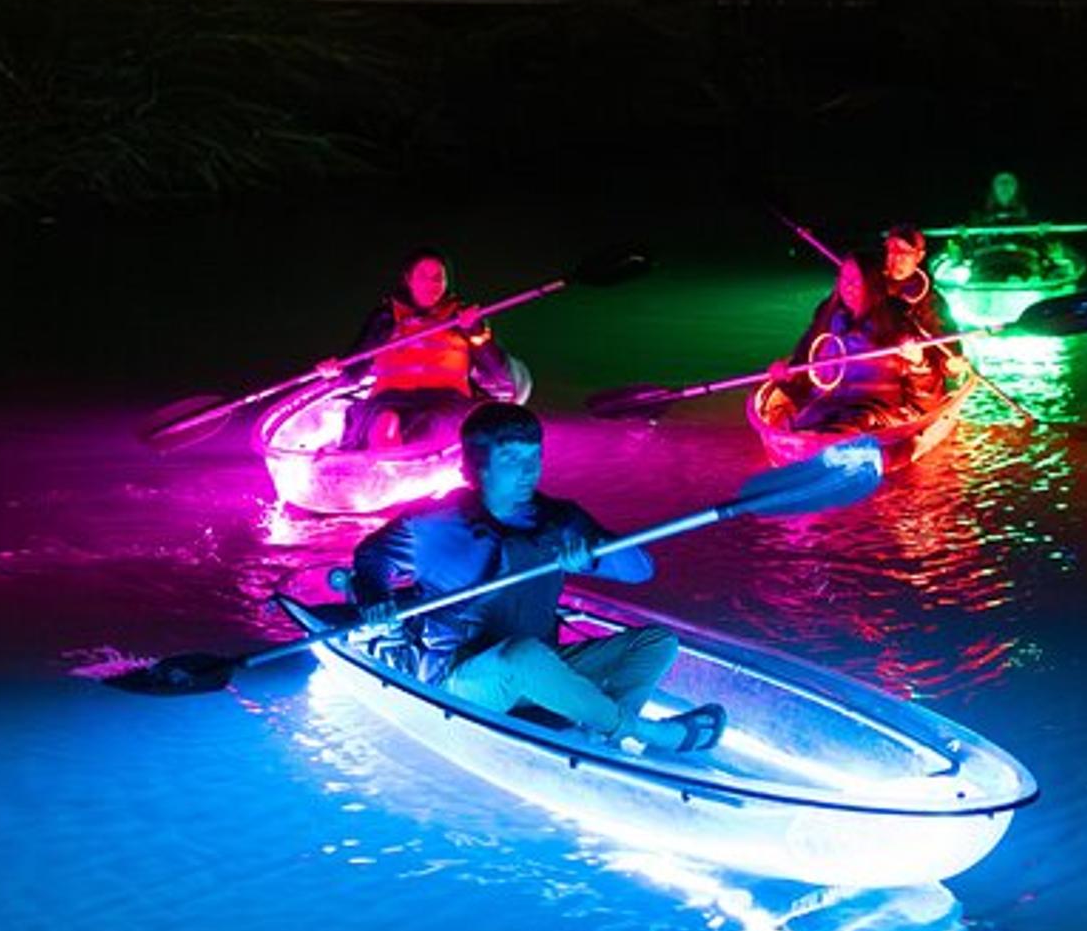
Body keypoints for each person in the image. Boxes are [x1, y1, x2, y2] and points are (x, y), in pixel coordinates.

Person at [350, 402, 726, 754]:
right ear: (472, 467)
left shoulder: (560, 520)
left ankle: (603, 733)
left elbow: (641, 570)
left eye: (534, 457)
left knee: (658, 643)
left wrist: (593, 555)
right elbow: (371, 558)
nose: (528, 472)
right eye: (512, 459)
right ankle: (649, 733)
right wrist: (374, 595)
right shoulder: (430, 525)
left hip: (542, 670)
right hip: (460, 680)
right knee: (522, 656)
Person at [318, 248, 519, 450]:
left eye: (437, 278)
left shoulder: (462, 317)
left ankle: (409, 462)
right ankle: (381, 469)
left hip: (445, 400)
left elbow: (497, 373)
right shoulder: (385, 317)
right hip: (389, 399)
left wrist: (476, 332)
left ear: (447, 282)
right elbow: (355, 370)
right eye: (422, 276)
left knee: (430, 427)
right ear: (408, 279)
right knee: (384, 424)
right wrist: (335, 374)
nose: (430, 284)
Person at [767, 251, 926, 431]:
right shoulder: (825, 320)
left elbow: (924, 392)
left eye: (856, 280)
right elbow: (801, 374)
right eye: (844, 279)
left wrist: (918, 362)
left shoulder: (897, 323)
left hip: (875, 413)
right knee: (800, 424)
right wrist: (785, 377)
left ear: (872, 284)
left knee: (851, 426)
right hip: (827, 405)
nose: (848, 287)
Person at [881, 224, 970, 406]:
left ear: (919, 256)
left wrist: (951, 365)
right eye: (892, 249)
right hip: (876, 378)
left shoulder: (933, 302)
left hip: (918, 382)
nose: (897, 257)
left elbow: (950, 348)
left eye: (905, 251)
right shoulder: (864, 289)